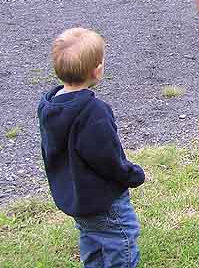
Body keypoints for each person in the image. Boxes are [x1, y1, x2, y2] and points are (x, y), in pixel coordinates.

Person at [37, 28, 145, 267]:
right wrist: (132, 174)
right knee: (121, 240)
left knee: (91, 239)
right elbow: (108, 159)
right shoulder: (93, 113)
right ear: (97, 70)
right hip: (104, 201)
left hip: (75, 196)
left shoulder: (49, 106)